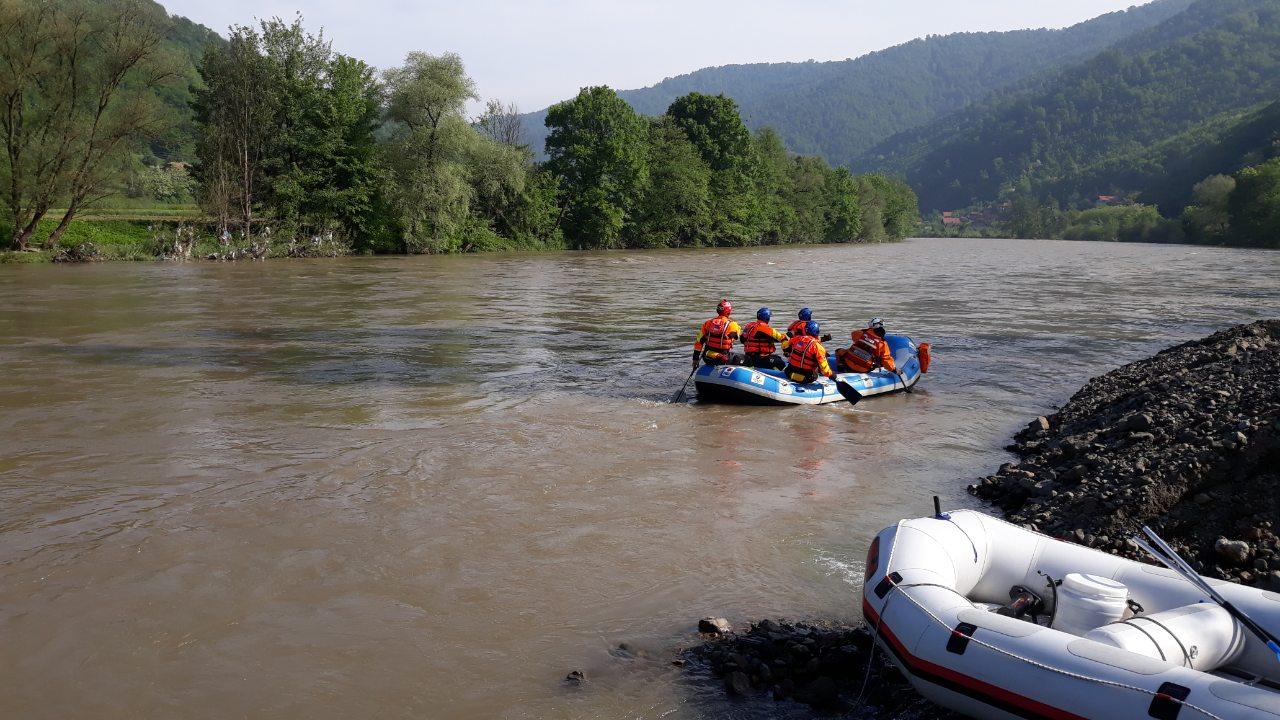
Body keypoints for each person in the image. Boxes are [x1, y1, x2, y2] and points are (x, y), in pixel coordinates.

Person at [692, 299, 741, 368]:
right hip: (722, 359)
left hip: (707, 358)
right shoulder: (732, 324)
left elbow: (698, 342)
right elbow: (737, 337)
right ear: (729, 311)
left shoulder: (707, 323)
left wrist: (695, 360)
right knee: (745, 359)